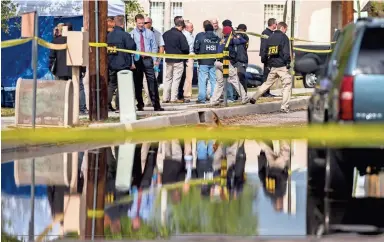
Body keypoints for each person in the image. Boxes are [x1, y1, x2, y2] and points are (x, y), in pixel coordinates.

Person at [250, 22, 292, 113]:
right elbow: (286, 52)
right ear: (283, 28)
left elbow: (265, 50)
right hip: (282, 66)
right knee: (287, 85)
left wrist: (267, 63)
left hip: (272, 66)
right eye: (286, 29)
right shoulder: (284, 37)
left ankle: (254, 97)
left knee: (267, 84)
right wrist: (288, 63)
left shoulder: (270, 37)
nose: (286, 31)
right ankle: (284, 107)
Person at [49, 22, 87, 115]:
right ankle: (81, 109)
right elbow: (82, 55)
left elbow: (52, 56)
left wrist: (51, 68)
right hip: (75, 68)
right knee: (79, 88)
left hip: (60, 69)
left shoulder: (56, 41)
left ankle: (61, 109)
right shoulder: (77, 39)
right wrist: (83, 69)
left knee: (61, 89)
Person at [130, 14, 164, 111]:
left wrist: (154, 60)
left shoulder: (149, 33)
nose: (141, 25)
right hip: (137, 60)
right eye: (139, 23)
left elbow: (154, 47)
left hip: (148, 59)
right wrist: (132, 62)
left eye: (142, 23)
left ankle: (156, 105)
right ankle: (140, 104)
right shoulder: (132, 34)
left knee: (152, 82)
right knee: (138, 83)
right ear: (136, 22)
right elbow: (131, 50)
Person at [210, 26, 250, 106]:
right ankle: (244, 97)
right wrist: (237, 35)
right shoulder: (230, 39)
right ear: (231, 32)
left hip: (217, 62)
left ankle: (214, 100)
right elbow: (243, 41)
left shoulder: (222, 40)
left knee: (219, 83)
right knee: (234, 79)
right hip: (225, 62)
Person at [107, 15, 136, 113]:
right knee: (121, 86)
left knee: (111, 85)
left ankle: (106, 105)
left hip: (111, 64)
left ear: (115, 23)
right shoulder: (125, 35)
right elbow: (132, 47)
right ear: (123, 24)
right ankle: (119, 106)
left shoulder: (109, 35)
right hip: (123, 64)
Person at [162, 18, 190, 103]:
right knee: (176, 80)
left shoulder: (165, 34)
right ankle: (173, 98)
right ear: (181, 26)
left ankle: (165, 97)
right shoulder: (180, 35)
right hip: (178, 60)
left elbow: (162, 45)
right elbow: (186, 48)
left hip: (168, 59)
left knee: (167, 79)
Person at [194, 22, 220, 104]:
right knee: (213, 80)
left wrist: (198, 55)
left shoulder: (201, 36)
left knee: (202, 80)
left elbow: (196, 48)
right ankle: (213, 97)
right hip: (214, 61)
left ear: (205, 29)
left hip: (203, 61)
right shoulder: (217, 38)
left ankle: (202, 98)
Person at [143, 17, 165, 107]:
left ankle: (151, 99)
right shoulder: (139, 33)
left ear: (150, 23)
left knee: (153, 80)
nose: (143, 24)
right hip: (142, 60)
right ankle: (149, 98)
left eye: (145, 22)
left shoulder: (157, 33)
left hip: (154, 61)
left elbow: (161, 47)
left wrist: (158, 60)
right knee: (145, 81)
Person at [260, 18, 278, 97]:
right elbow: (264, 46)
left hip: (272, 57)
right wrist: (264, 56)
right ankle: (264, 92)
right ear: (273, 24)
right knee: (266, 76)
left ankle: (267, 91)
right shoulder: (265, 32)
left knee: (270, 76)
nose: (276, 25)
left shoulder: (272, 33)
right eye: (276, 24)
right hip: (267, 57)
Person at [179, 21, 195, 103]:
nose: (193, 29)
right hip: (189, 57)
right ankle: (187, 94)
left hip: (186, 57)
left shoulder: (188, 35)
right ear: (186, 28)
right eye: (191, 27)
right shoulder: (187, 35)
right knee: (189, 77)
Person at [234, 24, 249, 93]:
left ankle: (243, 93)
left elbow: (241, 42)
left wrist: (238, 35)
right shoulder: (237, 36)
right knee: (236, 78)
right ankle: (238, 94)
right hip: (237, 59)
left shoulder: (245, 37)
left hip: (241, 60)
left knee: (241, 77)